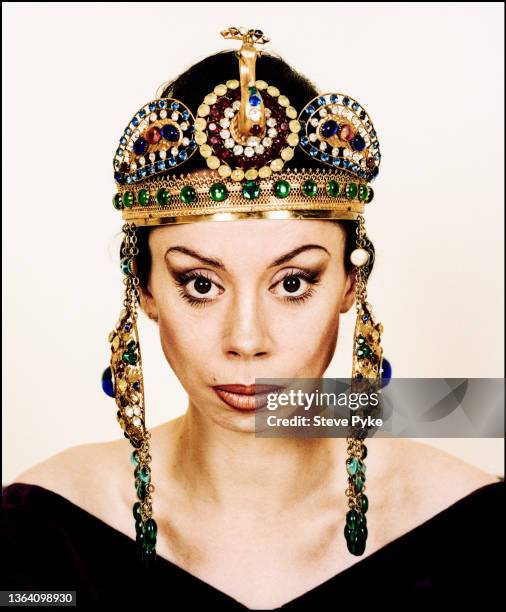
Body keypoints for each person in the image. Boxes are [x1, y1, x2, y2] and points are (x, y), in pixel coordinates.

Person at [2, 27, 503, 609]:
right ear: (144, 288)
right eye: (200, 284)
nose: (246, 339)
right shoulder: (41, 533)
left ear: (350, 282)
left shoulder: (473, 530)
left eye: (292, 283)